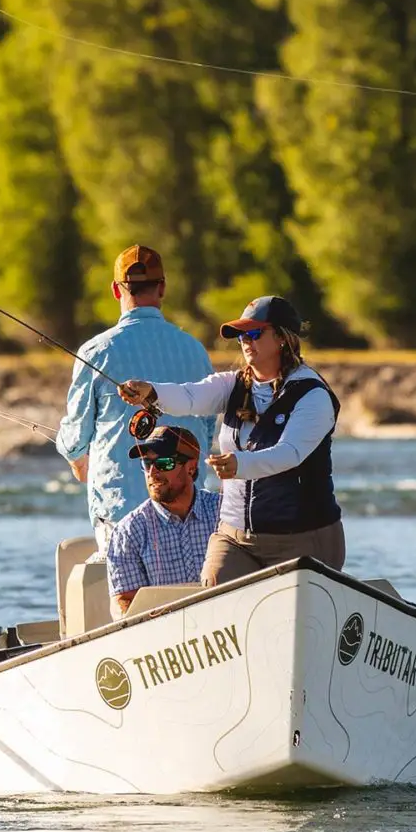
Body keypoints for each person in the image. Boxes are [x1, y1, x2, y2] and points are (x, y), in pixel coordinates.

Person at [117, 293, 343, 586]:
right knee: (214, 591)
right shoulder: (233, 384)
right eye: (240, 336)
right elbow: (190, 395)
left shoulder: (313, 395)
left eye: (254, 333)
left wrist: (240, 464)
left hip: (304, 538)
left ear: (282, 338)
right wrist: (152, 392)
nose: (245, 341)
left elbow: (290, 453)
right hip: (236, 536)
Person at [54, 244, 213, 546]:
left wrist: (76, 460)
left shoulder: (96, 352)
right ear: (162, 288)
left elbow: (76, 435)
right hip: (187, 507)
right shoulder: (195, 350)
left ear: (116, 290)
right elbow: (205, 430)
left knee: (127, 593)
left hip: (120, 512)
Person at [104, 426, 221, 617]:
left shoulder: (225, 512)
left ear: (191, 467)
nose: (152, 472)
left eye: (165, 463)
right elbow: (125, 607)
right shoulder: (127, 532)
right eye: (146, 463)